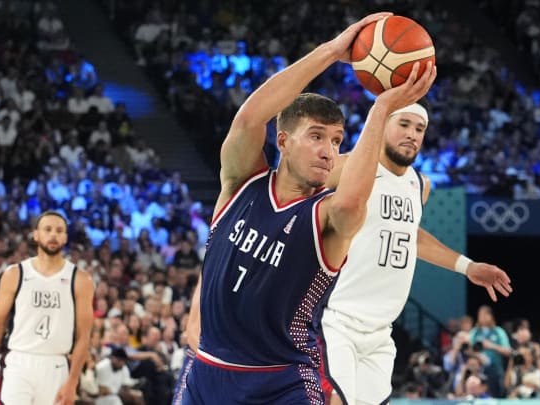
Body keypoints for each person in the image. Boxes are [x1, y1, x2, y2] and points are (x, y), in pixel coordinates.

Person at [178, 12, 437, 404]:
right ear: (281, 141)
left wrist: (380, 111)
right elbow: (249, 118)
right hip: (208, 371)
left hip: (282, 382)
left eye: (336, 141)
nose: (329, 151)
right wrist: (332, 51)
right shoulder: (241, 182)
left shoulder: (326, 215)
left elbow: (352, 202)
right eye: (316, 136)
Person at [318, 102, 512, 405]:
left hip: (381, 330)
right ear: (381, 126)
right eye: (404, 124)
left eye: (419, 129)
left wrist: (468, 267)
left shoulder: (420, 184)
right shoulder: (346, 167)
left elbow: (412, 237)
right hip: (335, 319)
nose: (412, 134)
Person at [0, 211, 95, 405]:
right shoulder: (14, 274)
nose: (53, 235)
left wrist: (73, 381)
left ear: (65, 237)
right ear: (36, 235)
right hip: (19, 361)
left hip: (56, 364)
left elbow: (84, 336)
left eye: (59, 230)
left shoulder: (80, 280)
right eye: (47, 229)